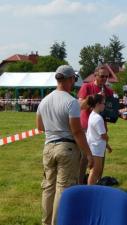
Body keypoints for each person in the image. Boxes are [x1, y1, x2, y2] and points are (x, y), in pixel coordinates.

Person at [36, 65, 93, 225]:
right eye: (74, 79)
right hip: (66, 149)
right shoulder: (71, 102)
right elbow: (77, 131)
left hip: (48, 148)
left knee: (48, 188)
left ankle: (46, 222)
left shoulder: (44, 101)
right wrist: (88, 154)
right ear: (69, 79)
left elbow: (40, 127)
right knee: (62, 189)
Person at [77, 65, 113, 184]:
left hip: (100, 127)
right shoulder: (86, 86)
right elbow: (80, 106)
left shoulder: (108, 91)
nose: (104, 79)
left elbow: (110, 109)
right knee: (85, 157)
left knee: (99, 157)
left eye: (106, 77)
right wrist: (93, 99)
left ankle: (97, 183)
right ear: (95, 75)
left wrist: (117, 114)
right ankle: (80, 182)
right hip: (86, 127)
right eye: (102, 76)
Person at [86, 94, 112, 185]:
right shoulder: (98, 118)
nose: (104, 105)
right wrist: (107, 139)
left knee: (96, 170)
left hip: (95, 147)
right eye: (103, 103)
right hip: (95, 148)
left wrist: (107, 146)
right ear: (97, 104)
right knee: (95, 171)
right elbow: (103, 135)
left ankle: (92, 188)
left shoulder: (92, 115)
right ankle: (90, 190)